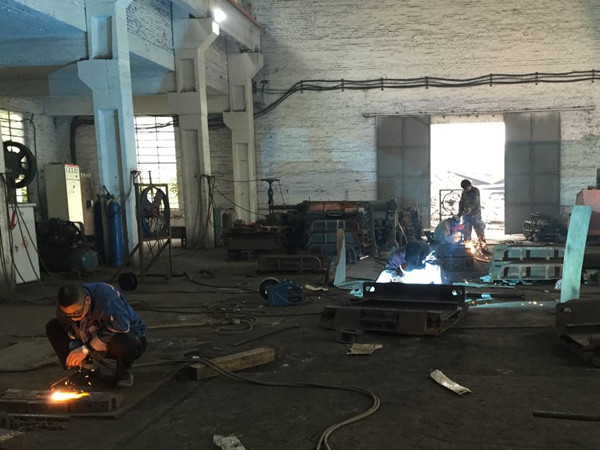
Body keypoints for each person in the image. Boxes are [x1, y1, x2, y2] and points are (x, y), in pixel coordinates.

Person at [46, 282, 147, 388]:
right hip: (90, 336)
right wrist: (75, 343)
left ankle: (123, 373)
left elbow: (122, 327)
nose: (73, 318)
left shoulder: (107, 298)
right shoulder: (63, 309)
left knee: (125, 341)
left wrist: (85, 349)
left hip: (126, 339)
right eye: (68, 315)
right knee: (53, 327)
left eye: (76, 313)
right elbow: (68, 327)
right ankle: (85, 369)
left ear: (88, 300)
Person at [376, 241, 444, 284]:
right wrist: (395, 277)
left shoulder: (428, 252)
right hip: (403, 276)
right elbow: (389, 268)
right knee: (384, 274)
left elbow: (436, 264)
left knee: (437, 269)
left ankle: (441, 292)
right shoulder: (399, 255)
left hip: (422, 273)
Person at [458, 179, 488, 251]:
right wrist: (460, 213)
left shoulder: (475, 191)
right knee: (466, 233)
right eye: (464, 189)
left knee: (480, 232)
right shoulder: (464, 192)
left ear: (470, 186)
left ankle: (484, 248)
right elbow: (461, 202)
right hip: (466, 216)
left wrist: (470, 208)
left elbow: (475, 202)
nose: (466, 190)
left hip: (475, 215)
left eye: (466, 188)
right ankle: (467, 249)